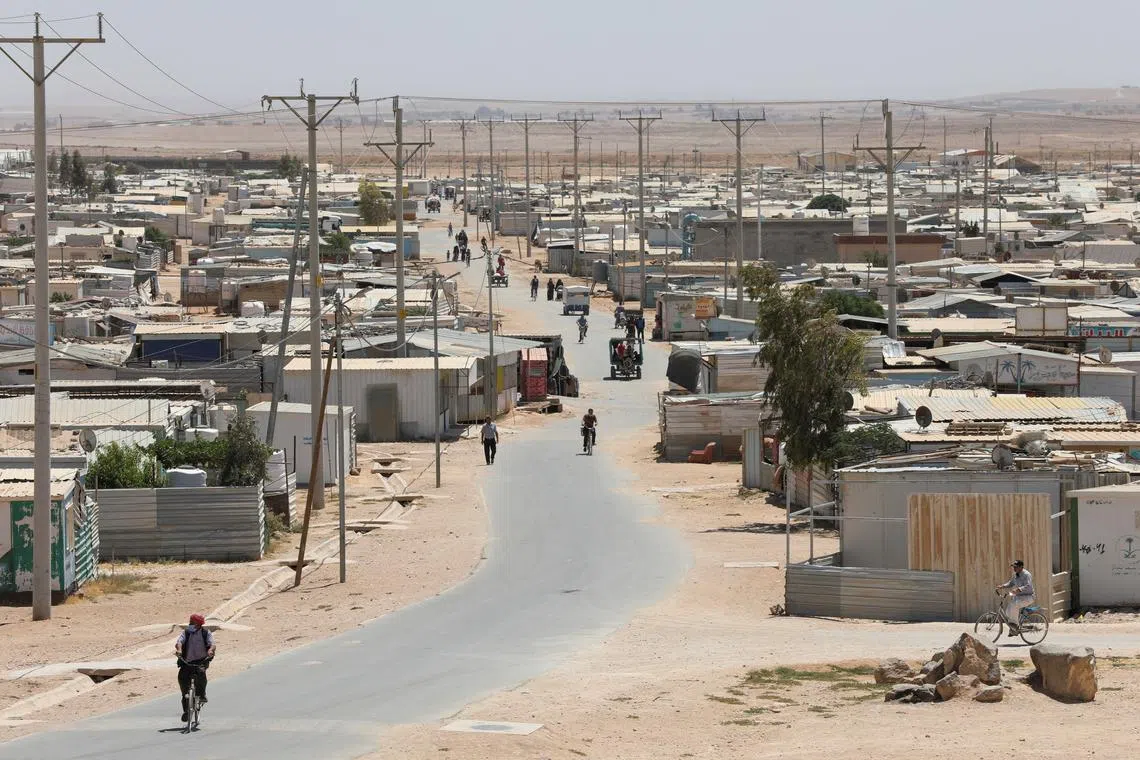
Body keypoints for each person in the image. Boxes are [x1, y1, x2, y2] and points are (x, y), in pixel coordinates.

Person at [175, 613, 216, 722]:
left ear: (198, 624)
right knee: (182, 680)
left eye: (192, 622)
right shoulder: (186, 632)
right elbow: (179, 642)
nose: (190, 624)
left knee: (201, 675)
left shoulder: (205, 633)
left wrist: (210, 650)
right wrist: (179, 650)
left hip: (201, 661)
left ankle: (202, 695)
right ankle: (186, 711)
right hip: (186, 662)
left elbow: (212, 644)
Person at [996, 560, 1035, 635]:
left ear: (1021, 567)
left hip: (1028, 597)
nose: (1014, 568)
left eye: (1016, 567)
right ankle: (1013, 628)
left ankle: (1015, 627)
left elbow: (1028, 586)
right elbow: (1011, 583)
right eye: (1013, 567)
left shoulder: (1027, 575)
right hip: (1019, 597)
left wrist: (1019, 589)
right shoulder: (1015, 575)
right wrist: (1002, 586)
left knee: (1014, 605)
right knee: (1008, 611)